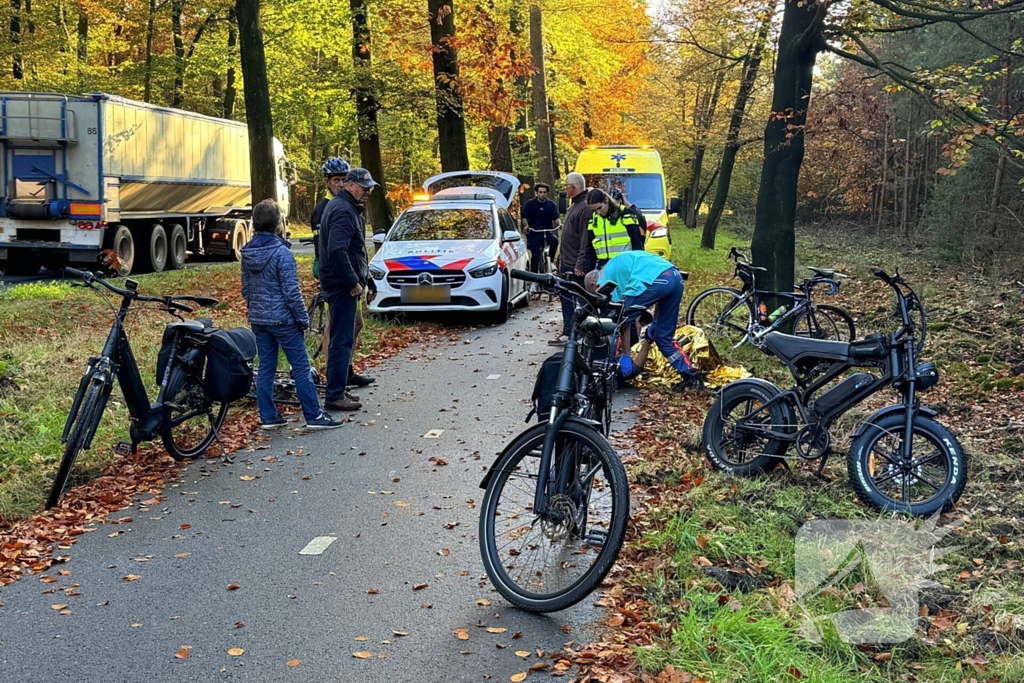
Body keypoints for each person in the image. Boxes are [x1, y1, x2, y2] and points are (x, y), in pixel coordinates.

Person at [241, 199, 343, 430]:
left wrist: (256, 307)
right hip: (284, 319)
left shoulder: (247, 253)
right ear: (278, 224)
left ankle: (268, 416)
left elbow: (245, 289)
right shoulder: (281, 253)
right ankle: (314, 415)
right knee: (301, 366)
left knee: (266, 366)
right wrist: (303, 319)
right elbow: (291, 292)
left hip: (259, 318)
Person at [585, 251, 703, 392]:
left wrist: (626, 355)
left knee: (620, 318)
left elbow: (623, 319)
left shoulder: (605, 280)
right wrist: (656, 321)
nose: (600, 296)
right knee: (663, 337)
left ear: (594, 285)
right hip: (675, 277)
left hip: (657, 281)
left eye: (595, 293)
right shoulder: (614, 265)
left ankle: (616, 363)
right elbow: (660, 295)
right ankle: (691, 375)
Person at [318, 167, 378, 411]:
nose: (368, 192)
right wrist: (353, 281)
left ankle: (339, 388)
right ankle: (334, 395)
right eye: (365, 187)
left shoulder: (345, 208)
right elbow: (337, 251)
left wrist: (367, 278)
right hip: (342, 286)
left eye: (370, 188)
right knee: (342, 340)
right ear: (350, 185)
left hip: (341, 283)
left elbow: (355, 252)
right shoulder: (343, 211)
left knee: (344, 336)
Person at [550, 172, 596, 345]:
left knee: (581, 301)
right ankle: (568, 332)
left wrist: (580, 263)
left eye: (566, 186)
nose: (565, 189)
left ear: (573, 187)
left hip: (576, 264)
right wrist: (559, 257)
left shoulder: (584, 208)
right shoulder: (573, 206)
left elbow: (585, 239)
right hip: (567, 261)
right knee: (566, 298)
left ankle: (581, 334)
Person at [586, 189, 643, 266]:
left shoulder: (625, 214)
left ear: (606, 200)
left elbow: (637, 244)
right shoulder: (593, 220)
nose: (598, 212)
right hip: (604, 267)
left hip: (625, 265)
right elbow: (590, 249)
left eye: (599, 208)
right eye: (594, 210)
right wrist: (589, 270)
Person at [521, 183, 561, 285]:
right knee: (535, 256)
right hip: (534, 232)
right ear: (537, 193)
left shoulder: (551, 204)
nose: (542, 194)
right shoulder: (530, 204)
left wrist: (559, 224)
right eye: (540, 192)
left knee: (555, 240)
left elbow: (556, 216)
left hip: (547, 232)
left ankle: (550, 262)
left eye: (544, 192)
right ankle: (534, 282)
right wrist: (526, 226)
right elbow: (525, 217)